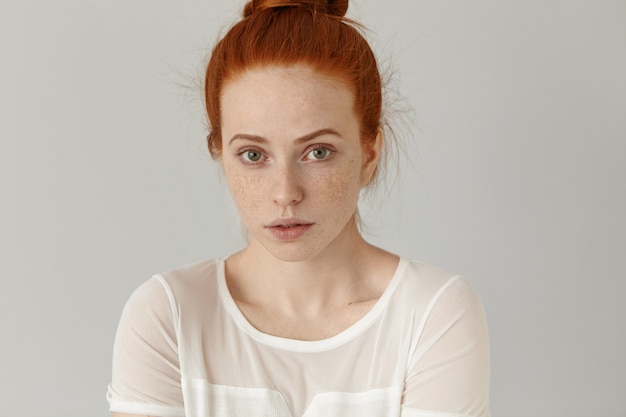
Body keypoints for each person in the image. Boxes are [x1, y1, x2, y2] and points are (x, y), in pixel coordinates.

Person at [106, 0, 491, 416]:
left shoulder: (432, 314)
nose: (285, 192)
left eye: (317, 151)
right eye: (253, 155)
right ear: (221, 154)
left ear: (368, 153)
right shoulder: (170, 315)